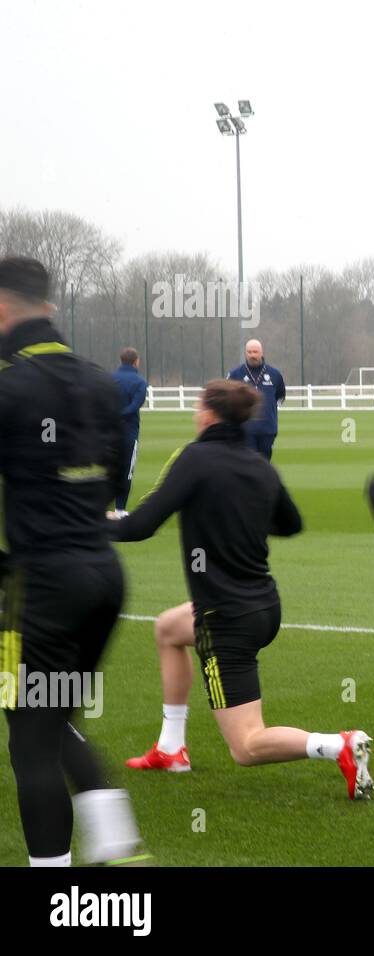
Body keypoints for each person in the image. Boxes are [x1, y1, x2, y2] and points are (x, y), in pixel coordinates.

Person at [112, 379, 374, 800]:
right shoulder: (259, 465)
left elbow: (141, 525)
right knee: (167, 630)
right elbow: (291, 524)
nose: (195, 413)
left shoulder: (194, 458)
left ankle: (337, 744)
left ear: (209, 414)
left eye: (197, 406)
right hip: (264, 607)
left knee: (247, 746)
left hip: (226, 619)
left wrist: (88, 525)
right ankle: (170, 749)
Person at [0, 256, 146, 866]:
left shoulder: (9, 384)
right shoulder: (97, 381)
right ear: (50, 308)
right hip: (103, 577)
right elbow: (114, 477)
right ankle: (116, 842)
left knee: (30, 736)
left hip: (40, 585)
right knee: (54, 716)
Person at [228, 339, 285, 460]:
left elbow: (280, 396)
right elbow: (228, 399)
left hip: (267, 429)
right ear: (245, 353)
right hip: (244, 429)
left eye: (255, 352)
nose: (252, 355)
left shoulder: (275, 374)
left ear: (261, 352)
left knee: (264, 465)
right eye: (249, 352)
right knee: (247, 464)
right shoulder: (235, 374)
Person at [111, 346, 148, 518]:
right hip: (129, 431)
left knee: (109, 468)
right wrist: (122, 414)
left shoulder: (109, 378)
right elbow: (135, 406)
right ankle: (120, 509)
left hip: (109, 430)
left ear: (121, 360)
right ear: (136, 361)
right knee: (127, 470)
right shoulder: (140, 382)